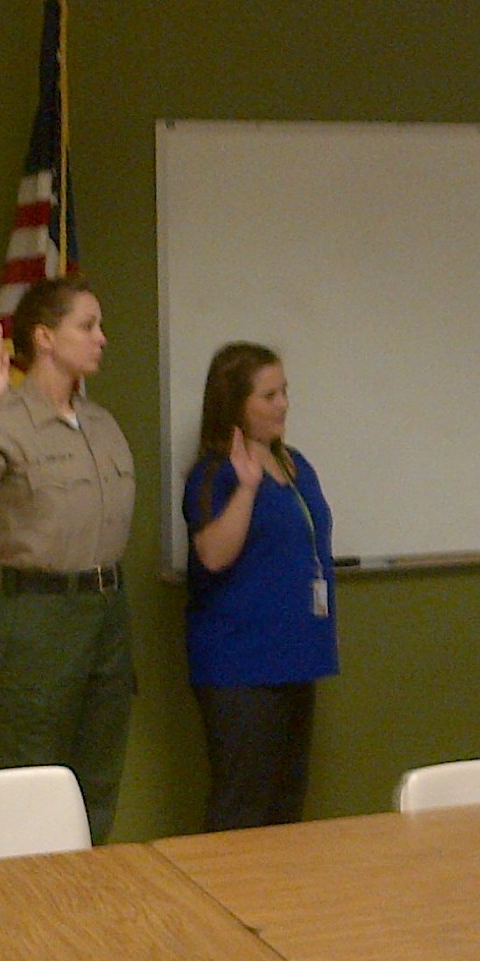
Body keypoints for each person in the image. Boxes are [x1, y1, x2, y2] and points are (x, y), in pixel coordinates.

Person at [0, 277, 135, 843]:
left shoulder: (101, 423)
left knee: (97, 785)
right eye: (87, 325)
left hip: (107, 615)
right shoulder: (6, 418)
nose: (101, 337)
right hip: (39, 620)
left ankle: (89, 911)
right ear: (46, 337)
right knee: (33, 788)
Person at [183, 342, 338, 831]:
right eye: (268, 395)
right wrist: (247, 487)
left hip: (297, 657)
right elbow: (213, 555)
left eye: (284, 392)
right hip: (242, 666)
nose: (282, 405)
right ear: (235, 404)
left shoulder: (296, 465)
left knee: (286, 804)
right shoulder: (213, 474)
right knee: (243, 804)